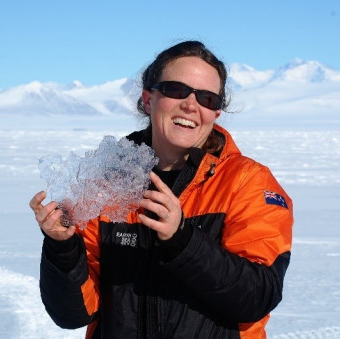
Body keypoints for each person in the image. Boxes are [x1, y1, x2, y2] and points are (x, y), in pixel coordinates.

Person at [29, 40, 293, 338]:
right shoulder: (108, 185)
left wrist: (183, 241)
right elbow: (74, 313)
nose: (191, 105)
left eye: (207, 98)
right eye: (176, 90)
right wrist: (62, 248)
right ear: (148, 99)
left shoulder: (246, 182)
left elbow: (257, 296)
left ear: (217, 112)